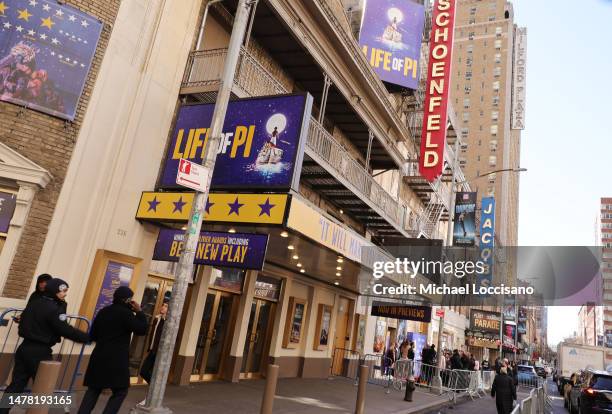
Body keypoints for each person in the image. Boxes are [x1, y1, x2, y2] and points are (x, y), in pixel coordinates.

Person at [0, 279, 88, 414]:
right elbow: (65, 329)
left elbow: (23, 323)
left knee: (16, 385)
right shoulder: (54, 309)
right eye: (63, 291)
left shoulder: (34, 303)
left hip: (24, 348)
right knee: (43, 389)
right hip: (40, 351)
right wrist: (87, 337)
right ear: (55, 290)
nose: (65, 294)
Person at [78, 286, 147, 414]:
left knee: (93, 390)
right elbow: (142, 329)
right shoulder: (126, 314)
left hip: (98, 356)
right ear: (127, 300)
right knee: (120, 391)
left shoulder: (103, 311)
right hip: (117, 360)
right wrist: (139, 312)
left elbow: (93, 335)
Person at [139, 301, 168, 383]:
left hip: (160, 352)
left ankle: (154, 393)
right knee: (143, 372)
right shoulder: (157, 318)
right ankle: (154, 391)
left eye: (166, 306)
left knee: (154, 373)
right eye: (163, 305)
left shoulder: (168, 322)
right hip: (153, 351)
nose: (163, 307)